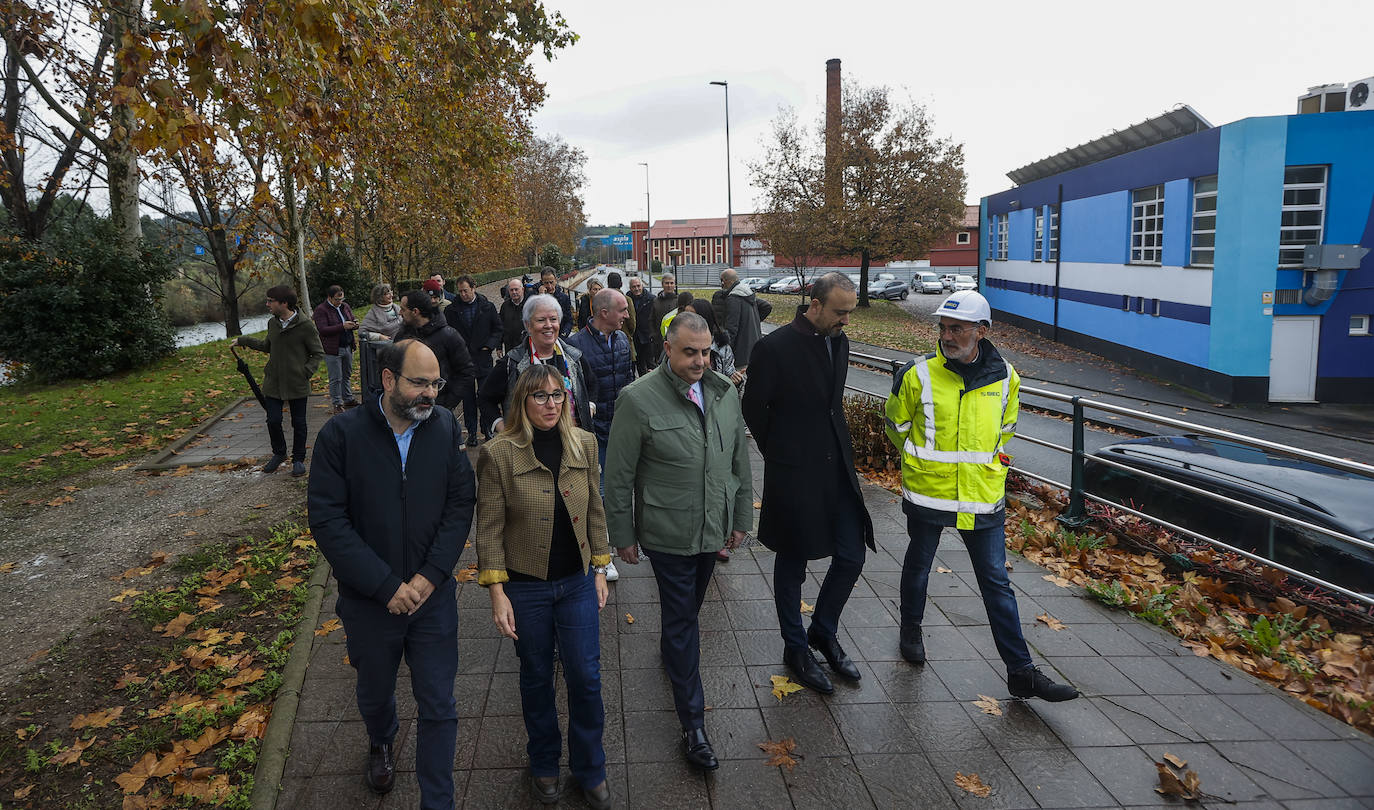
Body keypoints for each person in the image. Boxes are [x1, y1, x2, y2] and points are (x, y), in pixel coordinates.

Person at [883, 290, 1078, 701]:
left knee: (997, 583)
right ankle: (910, 630)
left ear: (982, 331)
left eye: (957, 329)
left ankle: (1021, 672)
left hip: (981, 497)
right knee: (918, 567)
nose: (947, 336)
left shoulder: (1006, 377)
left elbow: (1005, 429)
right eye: (943, 328)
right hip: (929, 494)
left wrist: (982, 469)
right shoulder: (916, 374)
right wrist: (923, 464)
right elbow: (895, 426)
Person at [308, 339, 476, 810]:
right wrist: (385, 586)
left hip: (432, 600)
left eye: (435, 384)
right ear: (388, 380)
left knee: (440, 703)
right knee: (375, 691)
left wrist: (432, 574)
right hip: (370, 604)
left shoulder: (443, 426)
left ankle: (437, 801)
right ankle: (381, 739)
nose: (430, 394)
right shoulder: (340, 436)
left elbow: (461, 502)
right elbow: (327, 520)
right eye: (419, 383)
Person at [604, 312, 752, 772]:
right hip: (667, 534)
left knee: (688, 609)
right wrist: (623, 536)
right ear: (667, 348)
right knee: (684, 617)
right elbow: (618, 475)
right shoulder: (638, 399)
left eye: (706, 351)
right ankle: (693, 724)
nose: (700, 361)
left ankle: (673, 650)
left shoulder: (724, 393)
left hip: (713, 530)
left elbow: (738, 461)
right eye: (690, 352)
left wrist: (741, 516)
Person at [475, 365, 612, 810]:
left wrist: (599, 567)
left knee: (586, 677)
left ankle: (590, 767)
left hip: (575, 584)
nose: (551, 404)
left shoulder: (584, 444)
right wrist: (497, 592)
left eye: (558, 395)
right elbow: (490, 528)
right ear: (522, 403)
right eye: (540, 397)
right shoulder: (499, 454)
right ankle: (544, 762)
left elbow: (595, 508)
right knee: (536, 677)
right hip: (526, 588)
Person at [742, 272, 875, 695]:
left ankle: (823, 630)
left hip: (838, 468)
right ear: (814, 304)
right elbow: (753, 409)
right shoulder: (773, 348)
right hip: (794, 471)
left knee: (852, 554)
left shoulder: (839, 340)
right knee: (793, 558)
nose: (846, 321)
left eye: (850, 312)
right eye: (840, 312)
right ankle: (795, 647)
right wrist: (780, 453)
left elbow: (831, 404)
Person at [233, 285, 323, 477]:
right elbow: (267, 346)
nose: (267, 304)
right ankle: (279, 453)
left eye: (270, 301)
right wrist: (244, 341)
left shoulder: (305, 325)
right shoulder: (272, 323)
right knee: (273, 420)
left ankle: (298, 459)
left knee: (299, 423)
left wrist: (305, 372)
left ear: (284, 303)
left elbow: (317, 353)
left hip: (297, 382)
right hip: (273, 382)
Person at [566, 288, 634, 475]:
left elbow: (628, 380)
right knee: (599, 487)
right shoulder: (575, 346)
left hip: (620, 429)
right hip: (593, 433)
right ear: (604, 313)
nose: (627, 316)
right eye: (622, 310)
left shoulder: (622, 339)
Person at [394, 290, 476, 430]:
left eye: (403, 309)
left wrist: (446, 403)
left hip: (436, 410)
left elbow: (466, 371)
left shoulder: (449, 336)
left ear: (415, 311)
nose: (400, 313)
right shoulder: (402, 336)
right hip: (406, 410)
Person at [446, 275, 501, 447]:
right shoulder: (451, 311)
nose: (463, 294)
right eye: (460, 291)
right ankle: (471, 432)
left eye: (466, 291)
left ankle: (487, 430)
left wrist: (489, 346)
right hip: (463, 360)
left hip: (482, 357)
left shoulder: (487, 307)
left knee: (485, 395)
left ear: (473, 288)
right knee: (467, 398)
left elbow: (497, 329)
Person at [313, 285, 360, 413]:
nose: (340, 302)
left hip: (348, 346)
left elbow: (350, 319)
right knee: (336, 377)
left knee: (347, 375)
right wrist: (342, 326)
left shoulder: (345, 306)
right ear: (329, 298)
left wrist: (354, 324)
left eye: (342, 298)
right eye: (337, 299)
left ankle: (348, 399)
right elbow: (323, 330)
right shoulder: (321, 310)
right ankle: (337, 403)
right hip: (333, 349)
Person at [715, 269, 766, 372]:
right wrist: (753, 322)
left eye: (722, 280)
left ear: (727, 281)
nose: (721, 283)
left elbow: (731, 329)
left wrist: (725, 353)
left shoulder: (734, 298)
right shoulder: (748, 293)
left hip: (740, 354)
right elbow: (766, 307)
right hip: (754, 350)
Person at [627, 276, 655, 375]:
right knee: (639, 363)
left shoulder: (651, 299)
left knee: (651, 364)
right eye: (634, 287)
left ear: (642, 286)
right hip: (635, 337)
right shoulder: (627, 298)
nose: (636, 289)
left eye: (638, 286)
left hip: (648, 336)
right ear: (630, 288)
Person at [648, 273, 678, 365]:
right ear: (662, 284)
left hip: (676, 341)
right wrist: (653, 335)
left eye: (671, 283)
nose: (669, 286)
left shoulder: (679, 301)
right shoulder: (656, 301)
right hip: (659, 342)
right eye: (667, 283)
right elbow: (651, 319)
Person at [537, 267, 574, 338]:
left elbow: (569, 320)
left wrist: (564, 334)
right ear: (542, 282)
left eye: (551, 282)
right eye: (546, 283)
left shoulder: (564, 298)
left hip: (561, 337)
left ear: (556, 280)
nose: (549, 286)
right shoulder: (535, 297)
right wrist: (540, 298)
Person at [500, 277, 528, 352]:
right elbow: (500, 326)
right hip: (510, 347)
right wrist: (499, 346)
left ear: (522, 289)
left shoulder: (529, 305)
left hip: (526, 347)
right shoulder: (504, 306)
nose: (514, 292)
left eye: (516, 289)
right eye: (511, 290)